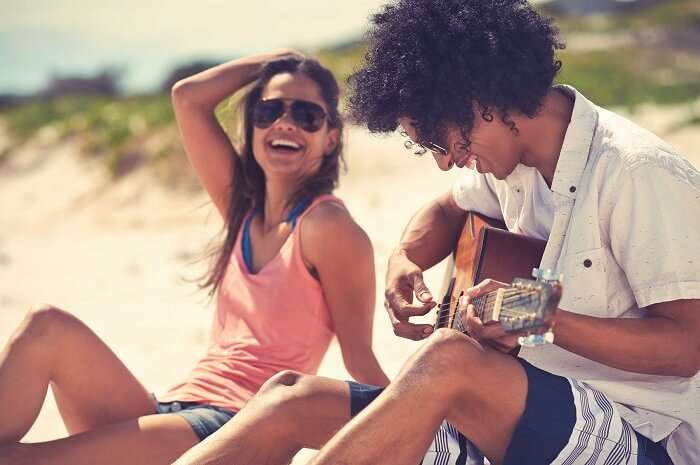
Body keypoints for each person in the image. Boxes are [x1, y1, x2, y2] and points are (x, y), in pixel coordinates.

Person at [170, 1, 699, 465]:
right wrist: (406, 257)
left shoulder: (635, 171)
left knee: (448, 358)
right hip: (513, 417)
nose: (446, 163)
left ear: (483, 100)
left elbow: (687, 345)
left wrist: (538, 314)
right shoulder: (508, 161)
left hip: (641, 436)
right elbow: (446, 210)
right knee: (289, 398)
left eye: (442, 140)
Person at [0, 50, 388, 465]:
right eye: (269, 109)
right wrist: (278, 61)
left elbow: (359, 360)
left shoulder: (326, 228)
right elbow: (187, 98)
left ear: (331, 137)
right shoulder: (243, 213)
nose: (285, 122)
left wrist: (423, 422)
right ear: (251, 125)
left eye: (307, 115)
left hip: (234, 427)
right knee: (46, 326)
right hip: (170, 412)